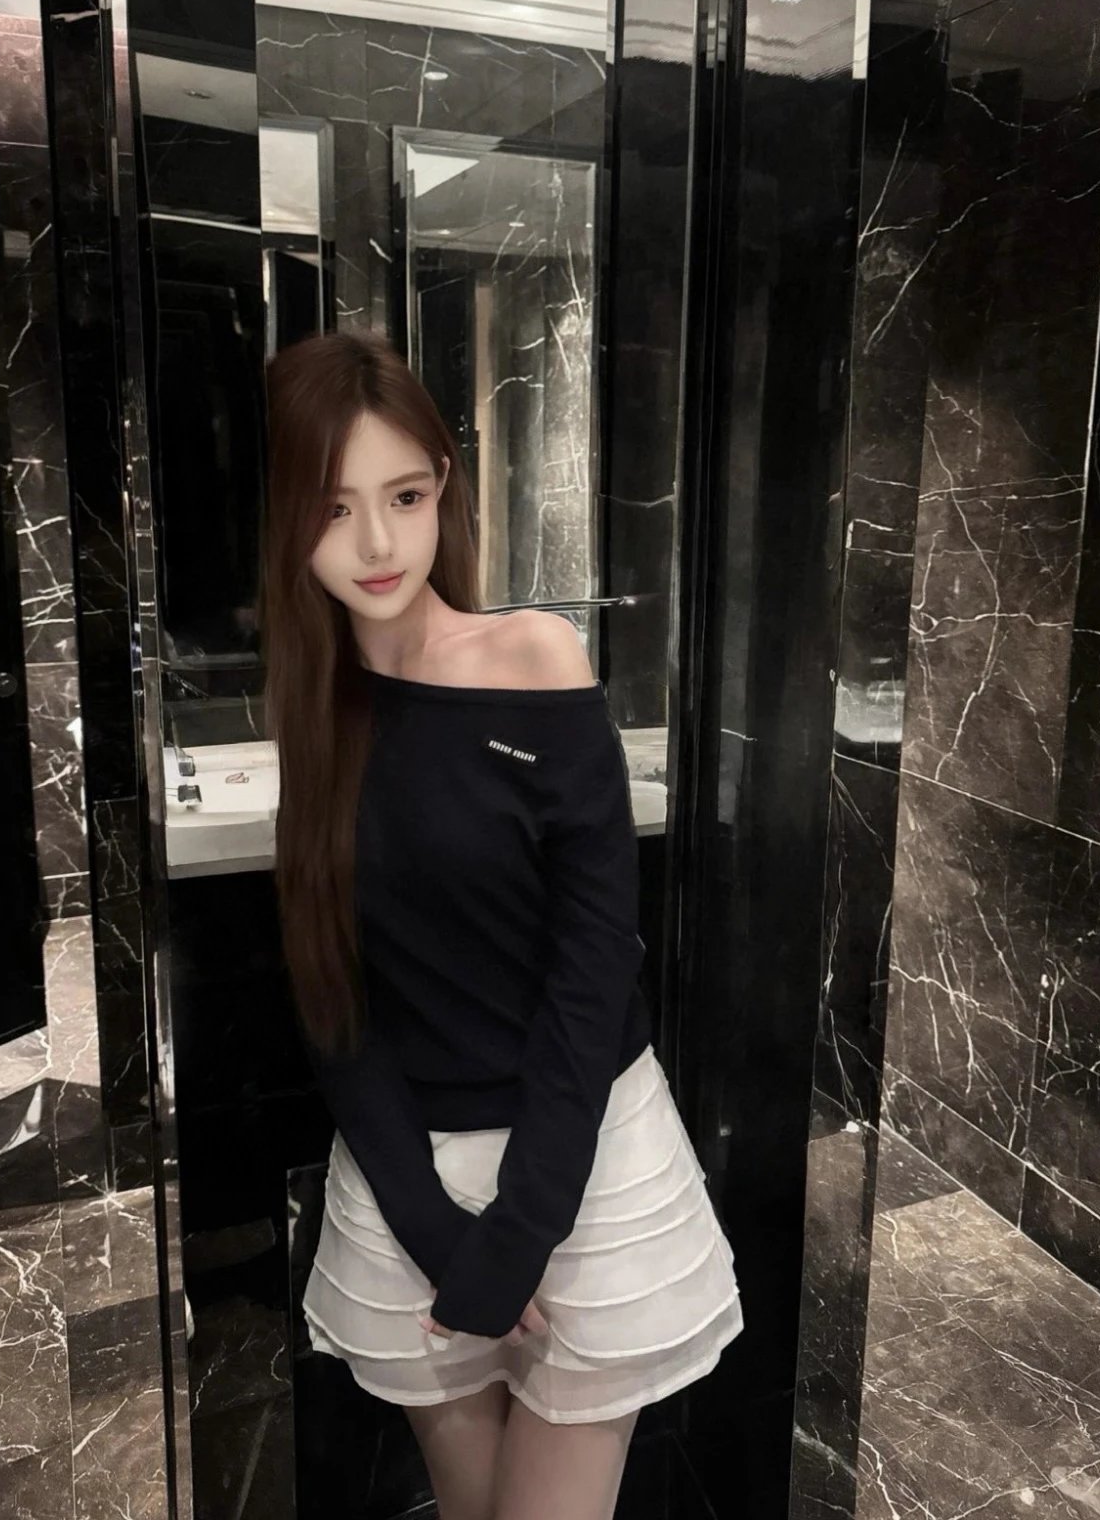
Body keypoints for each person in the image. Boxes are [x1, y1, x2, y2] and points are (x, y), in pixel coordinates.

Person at [261, 331, 742, 1520]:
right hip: (410, 1187)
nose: (379, 545)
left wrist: (520, 1232)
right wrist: (439, 1234)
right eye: (334, 508)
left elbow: (597, 959)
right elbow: (333, 1003)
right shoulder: (316, 719)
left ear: (444, 487)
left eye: (404, 497)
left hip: (580, 1163)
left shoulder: (533, 655)